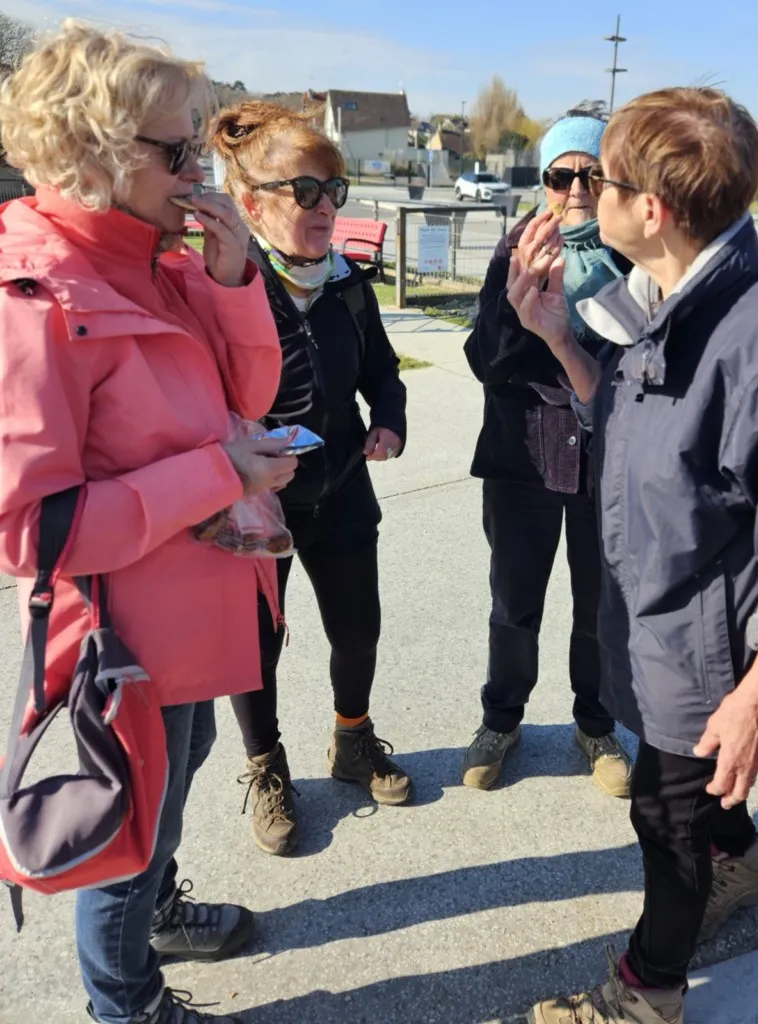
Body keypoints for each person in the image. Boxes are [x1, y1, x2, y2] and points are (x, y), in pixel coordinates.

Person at [509, 87, 758, 1024]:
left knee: (664, 818)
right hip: (662, 629)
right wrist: (558, 337)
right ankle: (741, 863)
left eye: (600, 181)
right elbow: (637, 431)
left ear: (651, 209)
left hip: (715, 659)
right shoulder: (660, 300)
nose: (583, 195)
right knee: (693, 798)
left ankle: (646, 992)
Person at [0, 22, 294, 1024]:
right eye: (179, 152)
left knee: (182, 768)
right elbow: (32, 528)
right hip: (124, 636)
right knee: (132, 823)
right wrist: (217, 474)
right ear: (95, 152)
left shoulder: (160, 259)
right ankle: (127, 1004)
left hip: (197, 609)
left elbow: (250, 393)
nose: (200, 171)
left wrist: (234, 280)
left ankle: (155, 911)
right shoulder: (34, 292)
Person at [211, 101, 411, 858]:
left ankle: (352, 741)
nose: (325, 206)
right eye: (305, 190)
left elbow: (383, 371)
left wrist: (389, 419)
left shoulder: (349, 285)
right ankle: (266, 766)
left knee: (357, 630)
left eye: (334, 190)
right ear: (253, 201)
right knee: (254, 646)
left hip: (344, 488)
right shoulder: (232, 288)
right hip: (260, 503)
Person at [461, 110, 633, 795]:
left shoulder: (634, 256)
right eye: (562, 177)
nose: (577, 190)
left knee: (600, 607)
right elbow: (484, 362)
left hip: (604, 463)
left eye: (594, 174)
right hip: (522, 459)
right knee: (514, 605)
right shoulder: (517, 248)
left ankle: (596, 725)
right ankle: (500, 721)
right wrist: (515, 302)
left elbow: (642, 370)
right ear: (544, 182)